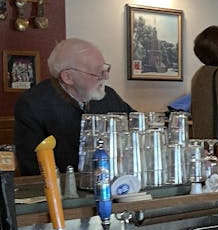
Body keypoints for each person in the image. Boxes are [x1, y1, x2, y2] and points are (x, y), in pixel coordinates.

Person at [14, 38, 134, 175]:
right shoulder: (33, 104)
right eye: (98, 72)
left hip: (113, 185)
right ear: (68, 77)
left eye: (106, 69)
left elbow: (135, 125)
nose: (106, 76)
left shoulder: (109, 95)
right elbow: (32, 168)